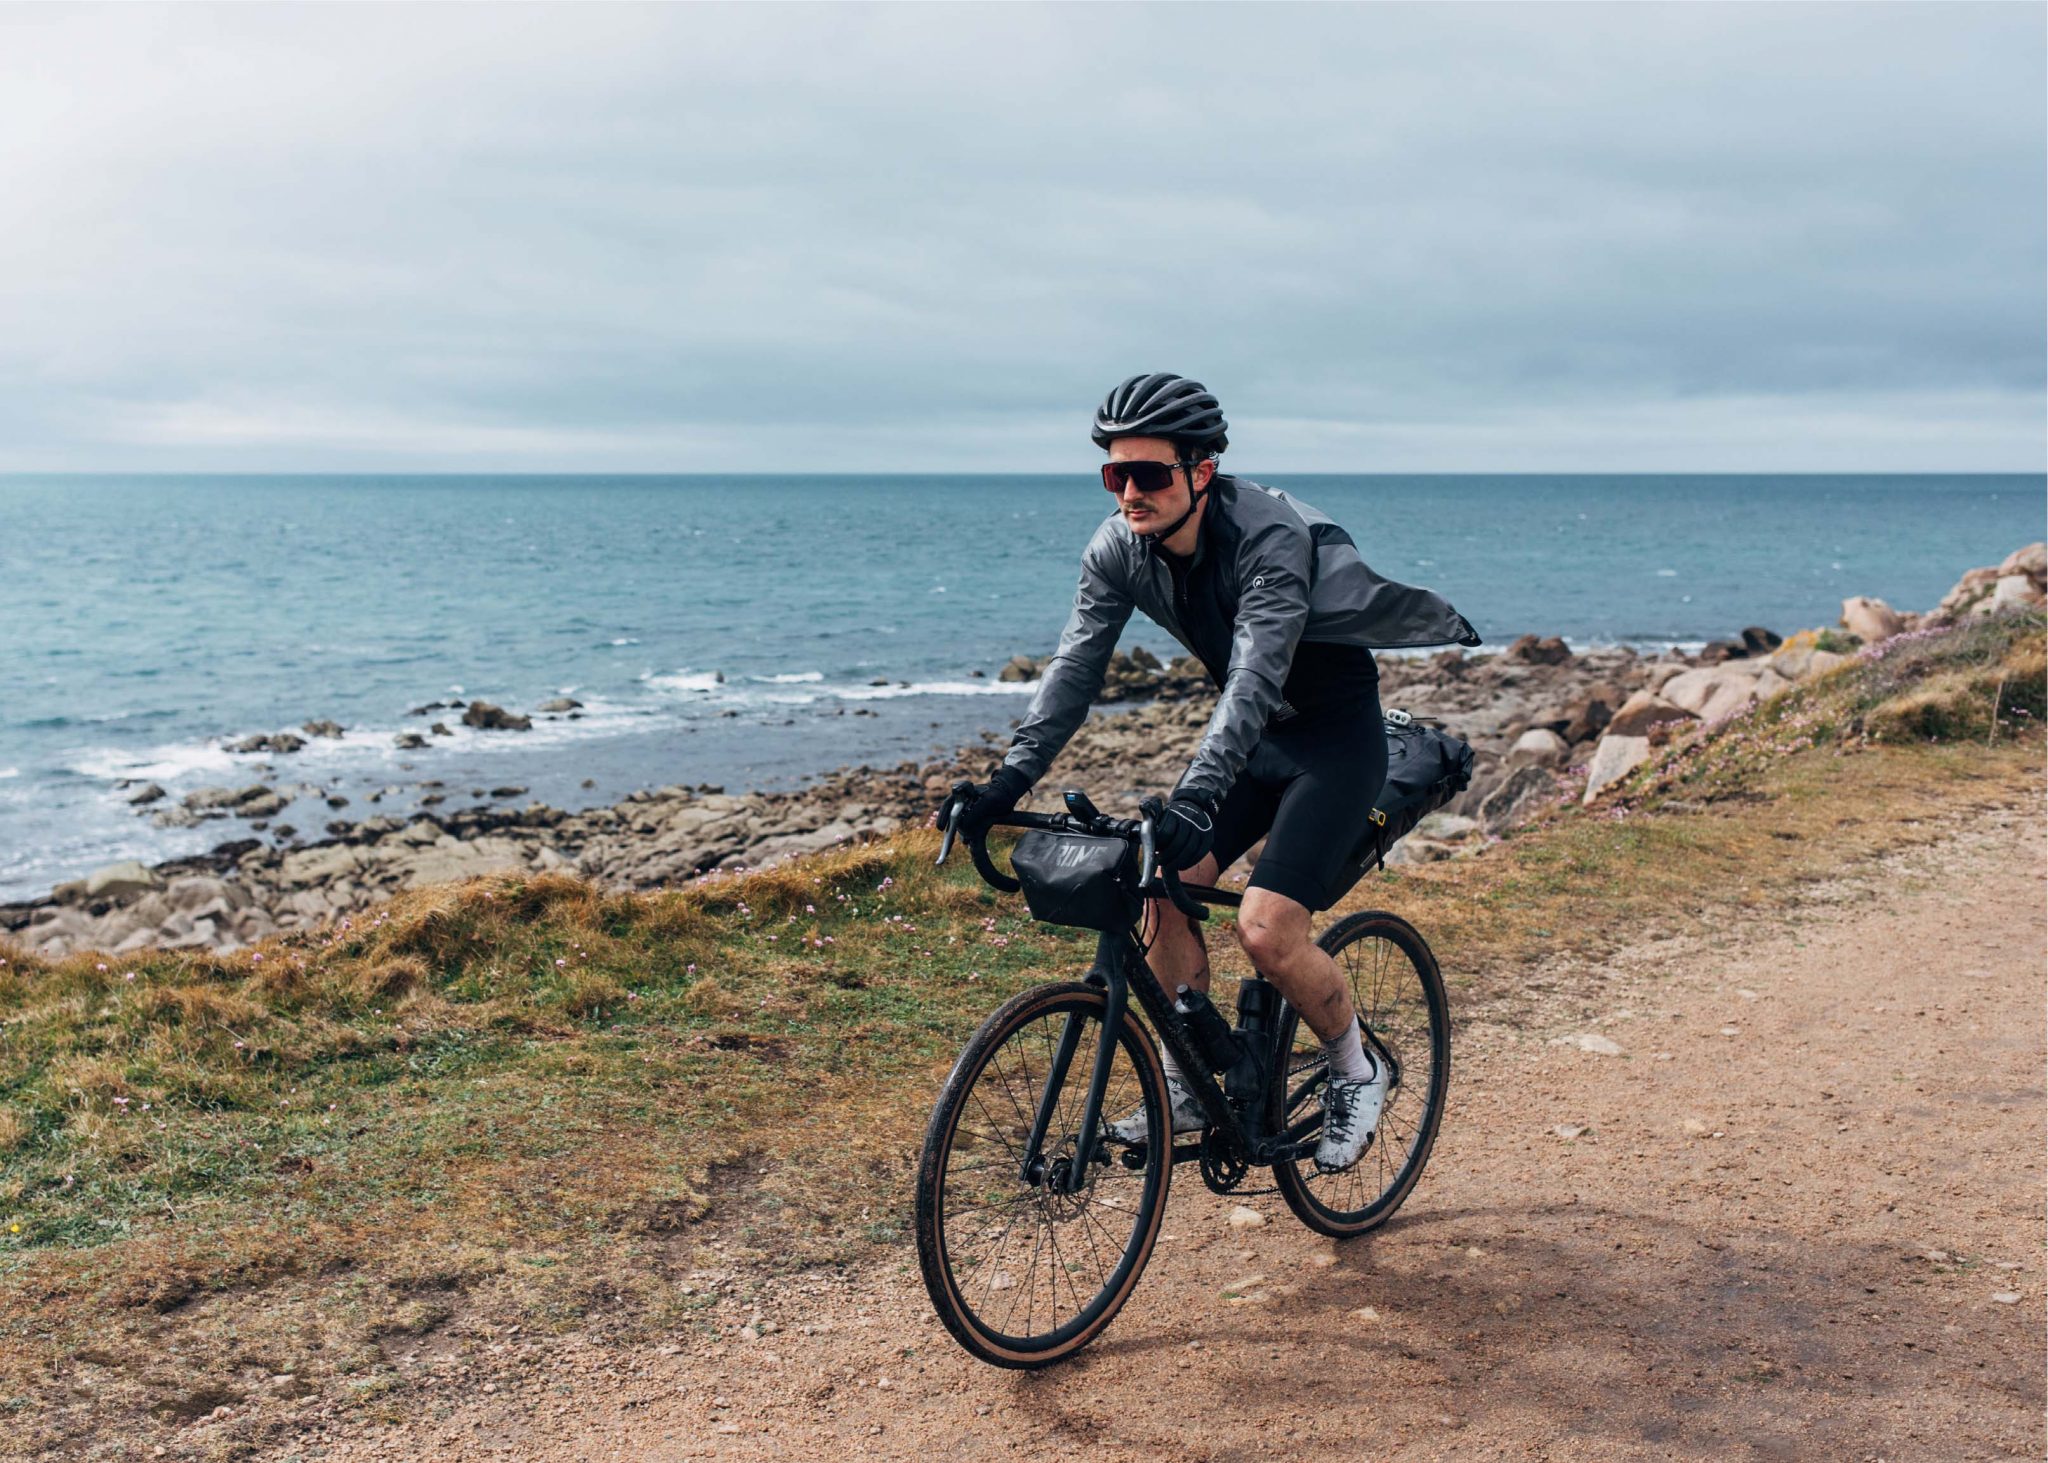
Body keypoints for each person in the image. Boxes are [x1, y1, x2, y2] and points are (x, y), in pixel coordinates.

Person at [952, 372, 1477, 1172]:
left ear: (1201, 471)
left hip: (1334, 744)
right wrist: (1007, 780)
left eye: (1150, 473)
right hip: (1254, 745)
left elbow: (1254, 679)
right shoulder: (1118, 549)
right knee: (1157, 882)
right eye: (1114, 473)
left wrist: (1196, 793)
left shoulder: (1267, 539)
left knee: (1265, 927)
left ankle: (1353, 1068)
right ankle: (1189, 1074)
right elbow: (1075, 668)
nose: (1129, 491)